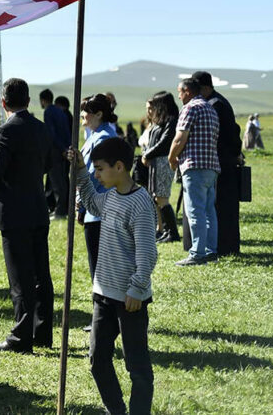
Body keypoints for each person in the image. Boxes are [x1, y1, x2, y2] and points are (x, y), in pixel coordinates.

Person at [69, 138, 157, 415]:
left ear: (119, 167)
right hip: (103, 294)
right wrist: (82, 171)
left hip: (129, 298)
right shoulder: (109, 197)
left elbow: (147, 253)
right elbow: (92, 204)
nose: (97, 175)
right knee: (97, 360)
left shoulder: (140, 203)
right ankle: (117, 411)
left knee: (136, 365)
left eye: (99, 169)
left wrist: (137, 287)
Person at [0, 78, 53, 353]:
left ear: (3, 102)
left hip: (13, 212)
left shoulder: (5, 131)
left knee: (20, 278)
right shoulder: (41, 128)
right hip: (37, 207)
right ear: (28, 101)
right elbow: (48, 164)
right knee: (40, 275)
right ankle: (41, 331)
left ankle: (21, 337)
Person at [168, 77, 220, 266]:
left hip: (194, 165)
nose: (179, 96)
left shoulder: (190, 108)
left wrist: (172, 157)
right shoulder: (210, 108)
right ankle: (210, 250)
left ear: (187, 91)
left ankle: (197, 253)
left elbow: (180, 138)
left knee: (194, 211)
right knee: (208, 210)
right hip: (211, 165)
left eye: (180, 92)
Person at [193, 71, 244, 256]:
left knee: (220, 207)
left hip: (221, 161)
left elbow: (228, 134)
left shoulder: (214, 105)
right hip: (226, 160)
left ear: (205, 88)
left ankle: (224, 247)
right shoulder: (217, 101)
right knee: (222, 206)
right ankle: (225, 246)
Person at [79, 94, 120, 280]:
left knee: (100, 265)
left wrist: (81, 203)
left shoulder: (103, 138)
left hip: (99, 209)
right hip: (95, 208)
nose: (82, 115)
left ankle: (102, 302)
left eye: (86, 111)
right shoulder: (95, 135)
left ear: (98, 114)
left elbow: (95, 176)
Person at [140, 92, 180, 243]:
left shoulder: (171, 120)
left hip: (163, 162)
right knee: (157, 197)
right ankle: (166, 231)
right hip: (157, 162)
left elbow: (165, 142)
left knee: (162, 197)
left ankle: (173, 233)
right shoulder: (163, 121)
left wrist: (147, 155)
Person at [40, 88, 71, 218]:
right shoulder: (60, 111)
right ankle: (63, 209)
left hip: (55, 151)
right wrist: (66, 148)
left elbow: (51, 134)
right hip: (63, 149)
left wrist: (61, 149)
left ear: (43, 100)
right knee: (63, 180)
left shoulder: (48, 112)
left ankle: (60, 211)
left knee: (57, 183)